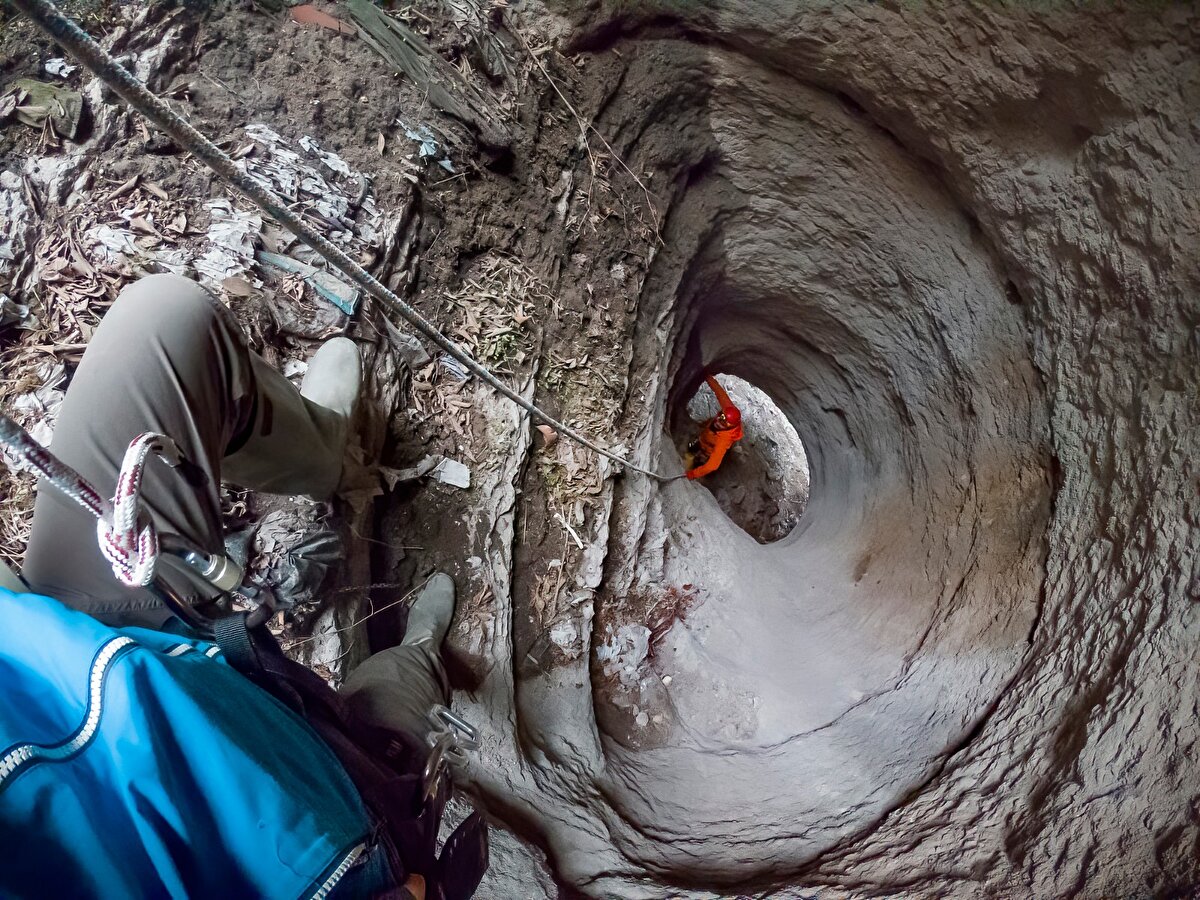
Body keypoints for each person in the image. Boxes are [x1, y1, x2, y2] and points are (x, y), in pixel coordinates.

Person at [0, 275, 486, 898]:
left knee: (169, 327)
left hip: (55, 659)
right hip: (295, 847)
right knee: (389, 714)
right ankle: (418, 659)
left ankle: (337, 459)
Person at [684, 375, 744, 479]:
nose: (720, 420)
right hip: (703, 438)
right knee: (693, 448)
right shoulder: (729, 409)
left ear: (729, 425)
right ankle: (691, 453)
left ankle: (697, 467)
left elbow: (713, 465)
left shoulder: (724, 439)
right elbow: (719, 392)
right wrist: (707, 376)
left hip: (708, 450)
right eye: (721, 416)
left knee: (701, 461)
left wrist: (692, 474)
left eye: (724, 422)